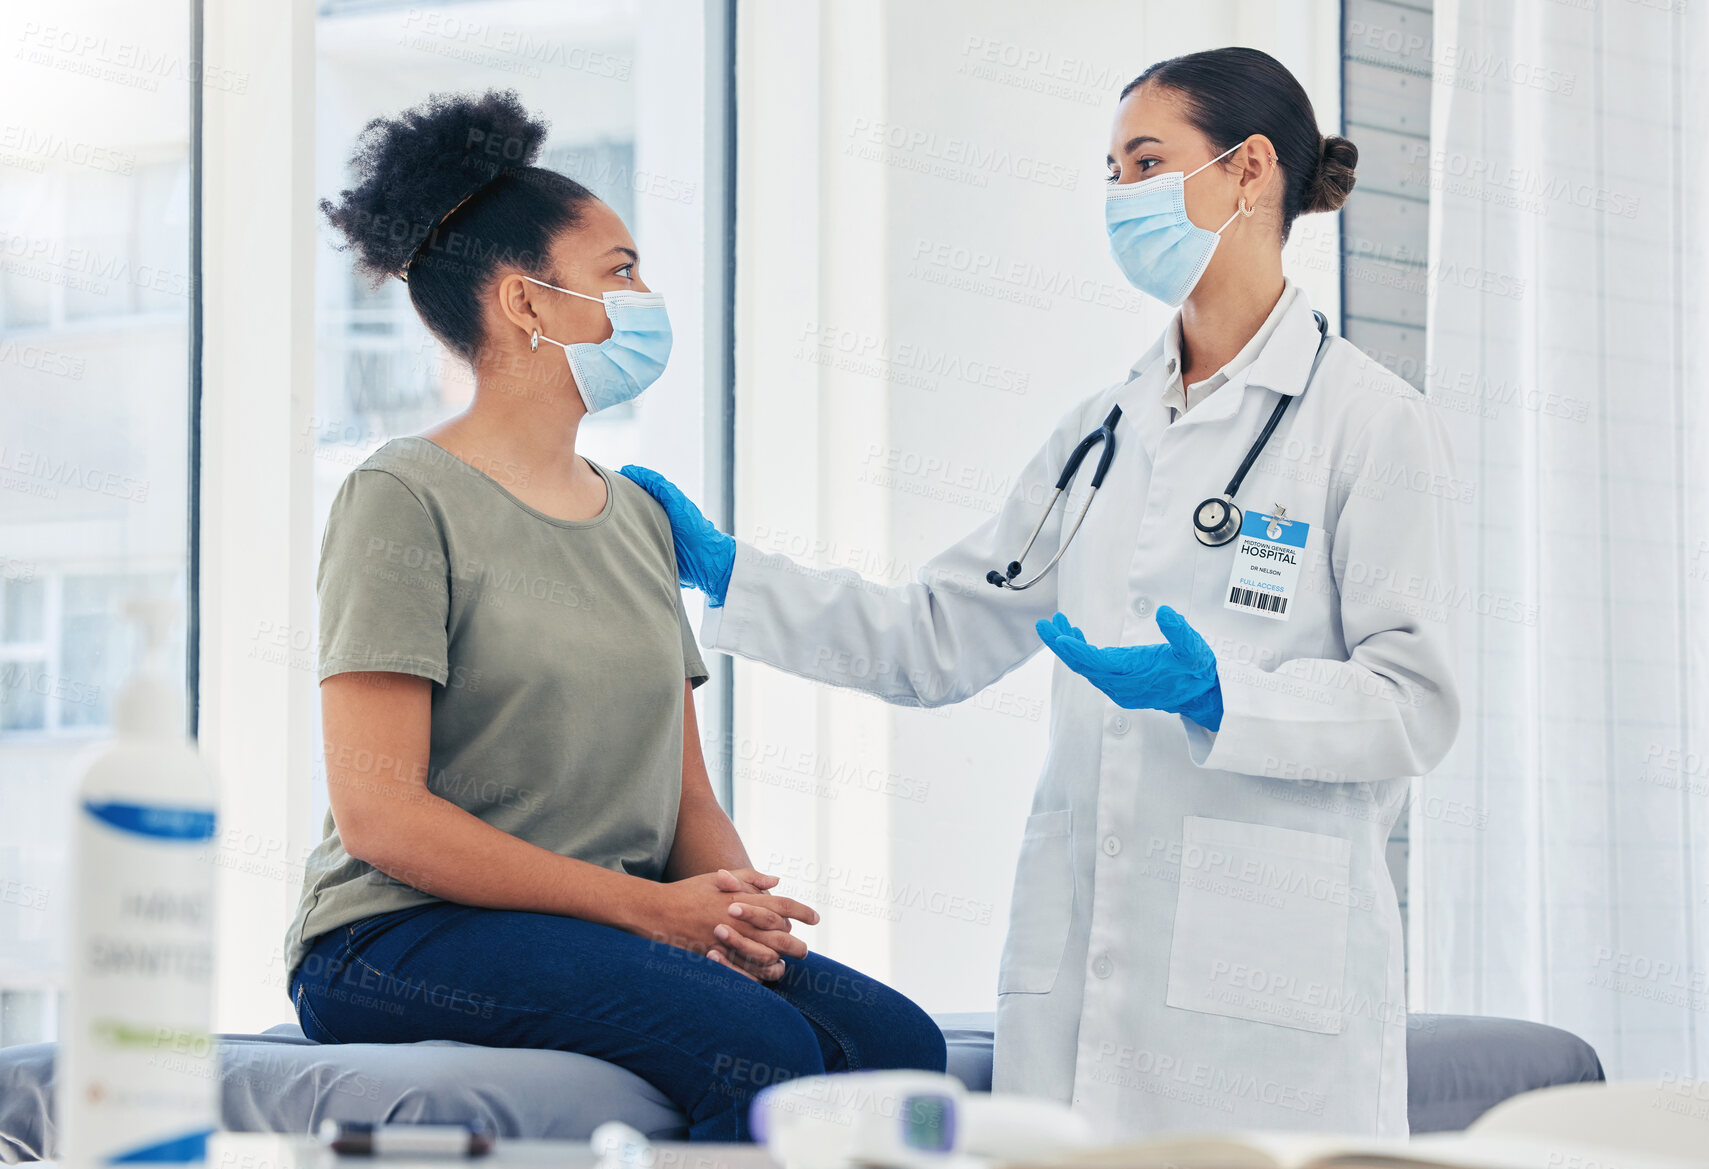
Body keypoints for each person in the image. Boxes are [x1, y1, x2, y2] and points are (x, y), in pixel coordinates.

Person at [622, 48, 1460, 1138]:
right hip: (1081, 969)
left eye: (1145, 161)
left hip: (1265, 982)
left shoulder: (1368, 420)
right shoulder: (1103, 434)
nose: (1118, 195)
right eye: (1109, 170)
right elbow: (936, 637)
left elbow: (1413, 703)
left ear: (1249, 170)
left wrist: (1225, 697)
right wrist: (737, 573)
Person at [281, 89, 946, 1143]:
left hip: (609, 926)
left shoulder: (636, 511)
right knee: (759, 1049)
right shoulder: (402, 495)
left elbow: (684, 794)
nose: (645, 298)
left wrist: (727, 909)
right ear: (526, 304)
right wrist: (649, 911)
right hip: (401, 937)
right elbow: (382, 818)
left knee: (900, 1050)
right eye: (620, 271)